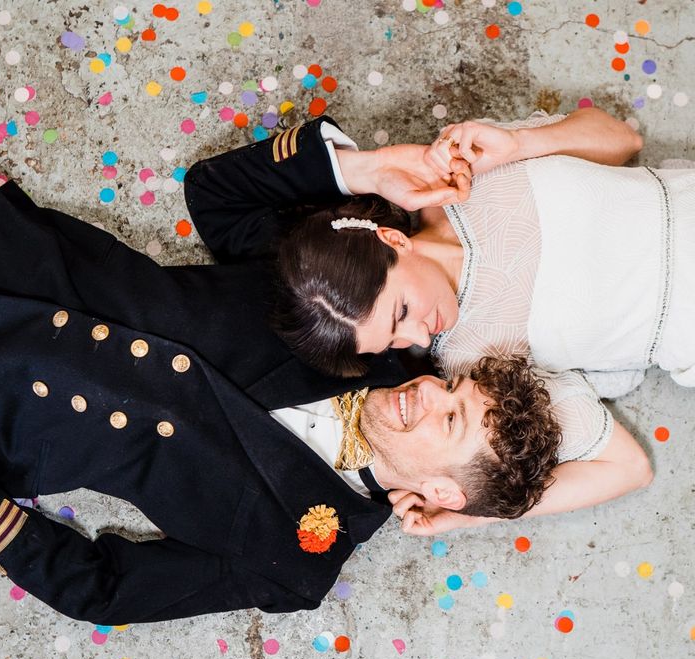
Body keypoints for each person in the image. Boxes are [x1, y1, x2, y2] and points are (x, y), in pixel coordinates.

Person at [0, 121, 559, 625]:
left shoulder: (298, 560)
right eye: (450, 386)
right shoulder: (363, 321)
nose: (426, 387)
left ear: (443, 493)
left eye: (451, 417)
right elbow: (219, 194)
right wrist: (362, 170)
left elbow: (107, 593)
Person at [185, 109, 656, 536]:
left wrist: (373, 168)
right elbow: (627, 467)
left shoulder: (462, 176)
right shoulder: (474, 367)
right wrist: (472, 510)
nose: (417, 339)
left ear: (393, 239)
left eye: (402, 312)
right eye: (390, 339)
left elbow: (624, 141)